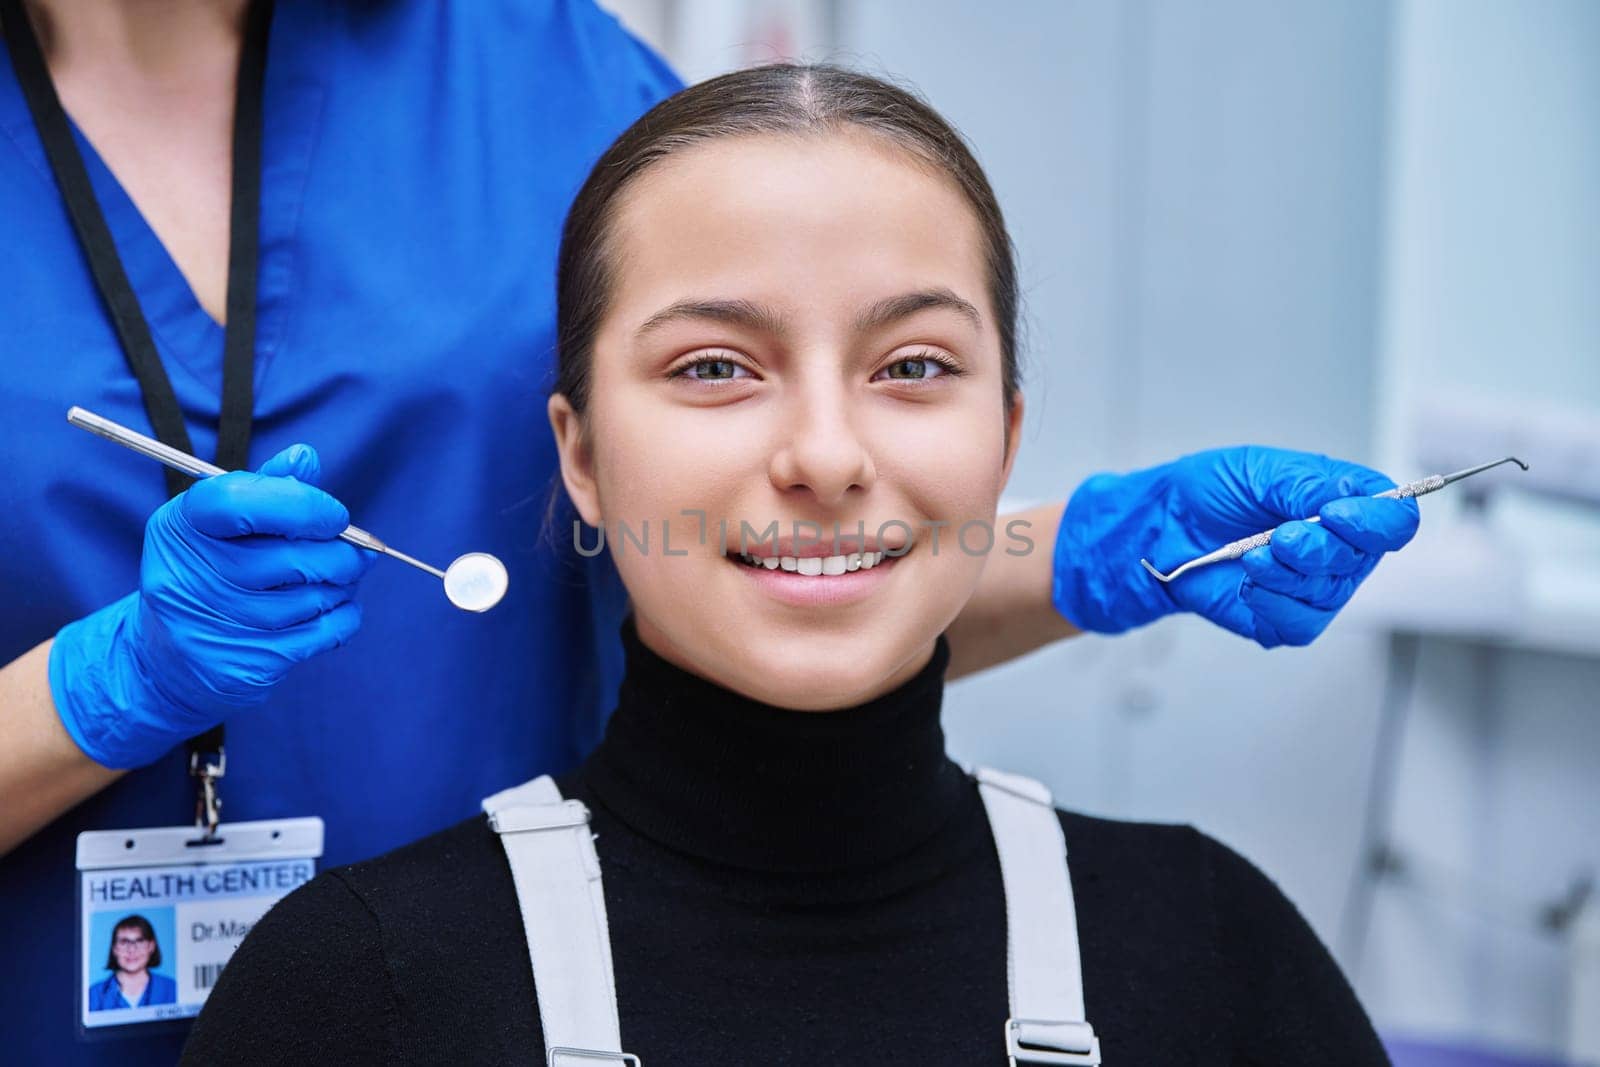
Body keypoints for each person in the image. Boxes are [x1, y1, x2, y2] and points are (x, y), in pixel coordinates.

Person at [0, 2, 1413, 1062]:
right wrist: (97, 692)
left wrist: (1088, 548)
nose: (824, 446)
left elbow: (745, 554)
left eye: (918, 368)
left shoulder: (545, 83)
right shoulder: (342, 985)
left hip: (607, 958)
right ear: (575, 446)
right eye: (717, 367)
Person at [89, 915, 177, 1012]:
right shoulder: (93, 995)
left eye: (139, 941)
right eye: (124, 942)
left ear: (151, 946)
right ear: (114, 948)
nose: (131, 950)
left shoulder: (172, 989)